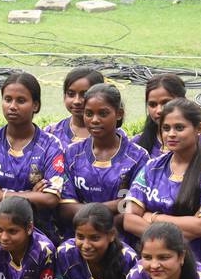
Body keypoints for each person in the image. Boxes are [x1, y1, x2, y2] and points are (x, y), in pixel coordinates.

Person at [123, 98, 201, 267]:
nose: (171, 134)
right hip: (153, 267)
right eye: (166, 128)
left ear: (199, 129)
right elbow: (129, 219)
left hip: (196, 268)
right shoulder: (152, 167)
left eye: (179, 128)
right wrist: (171, 239)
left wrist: (154, 217)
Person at [0, 71, 66, 237]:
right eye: (7, 99)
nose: (12, 106)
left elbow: (50, 199)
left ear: (36, 105)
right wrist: (29, 198)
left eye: (21, 100)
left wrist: (0, 194)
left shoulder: (51, 145)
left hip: (37, 234)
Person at [57, 82, 148, 230]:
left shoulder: (138, 157)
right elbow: (65, 209)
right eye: (89, 113)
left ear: (119, 113)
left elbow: (133, 207)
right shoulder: (71, 153)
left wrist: (86, 211)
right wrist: (114, 205)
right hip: (79, 238)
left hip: (120, 238)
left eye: (103, 113)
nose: (94, 120)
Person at [133, 73, 201, 161]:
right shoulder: (136, 145)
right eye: (152, 105)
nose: (159, 110)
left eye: (166, 103)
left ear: (182, 101)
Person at [44, 66, 104, 147]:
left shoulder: (111, 136)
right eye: (71, 94)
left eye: (84, 95)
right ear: (64, 96)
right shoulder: (52, 133)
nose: (77, 101)